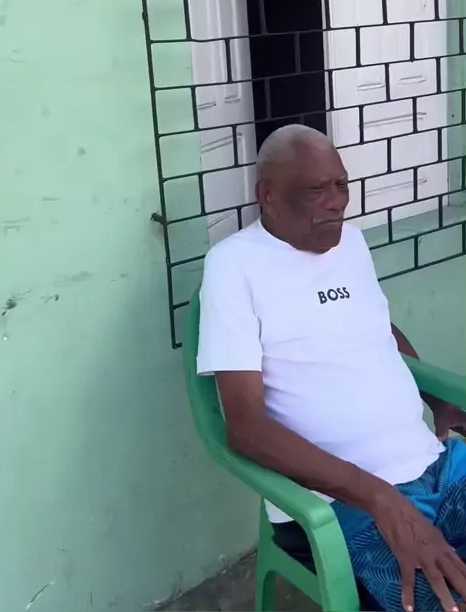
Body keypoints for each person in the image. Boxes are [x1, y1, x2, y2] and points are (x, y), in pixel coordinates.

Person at [197, 124, 466, 612]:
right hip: (343, 508)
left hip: (437, 467)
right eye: (316, 190)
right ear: (268, 196)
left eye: (341, 185)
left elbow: (377, 328)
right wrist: (378, 497)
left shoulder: (351, 244)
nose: (336, 203)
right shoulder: (233, 266)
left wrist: (440, 400)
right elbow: (246, 429)